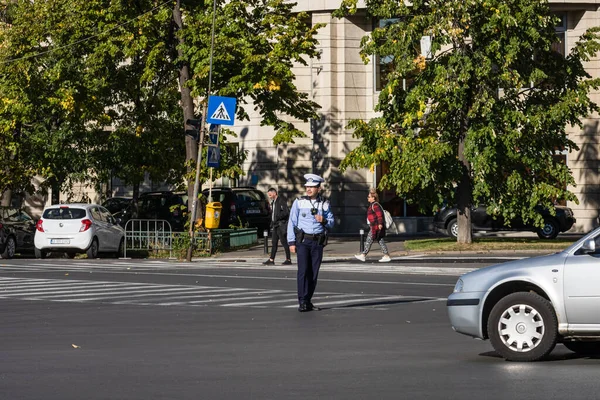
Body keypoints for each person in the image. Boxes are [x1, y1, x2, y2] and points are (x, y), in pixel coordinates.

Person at [287, 174, 335, 312]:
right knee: (303, 271)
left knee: (313, 273)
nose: (308, 189)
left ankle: (308, 300)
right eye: (307, 186)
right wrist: (291, 242)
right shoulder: (299, 202)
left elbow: (332, 222)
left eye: (312, 187)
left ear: (318, 188)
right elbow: (292, 222)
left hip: (317, 242)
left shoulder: (324, 203)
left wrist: (323, 220)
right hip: (303, 241)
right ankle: (302, 301)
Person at [355, 188, 391, 263]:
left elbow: (379, 215)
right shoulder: (373, 205)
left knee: (369, 240)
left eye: (368, 197)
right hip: (374, 226)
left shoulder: (375, 205)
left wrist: (380, 224)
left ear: (373, 197)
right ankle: (386, 255)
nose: (367, 198)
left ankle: (363, 255)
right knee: (380, 240)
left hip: (376, 226)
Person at [262, 188, 292, 265]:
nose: (269, 196)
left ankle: (288, 259)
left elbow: (286, 212)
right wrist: (272, 222)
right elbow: (273, 214)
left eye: (270, 194)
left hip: (280, 225)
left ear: (274, 193)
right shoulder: (273, 202)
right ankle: (271, 260)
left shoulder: (280, 201)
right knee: (274, 243)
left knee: (284, 242)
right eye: (268, 195)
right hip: (275, 225)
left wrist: (278, 217)